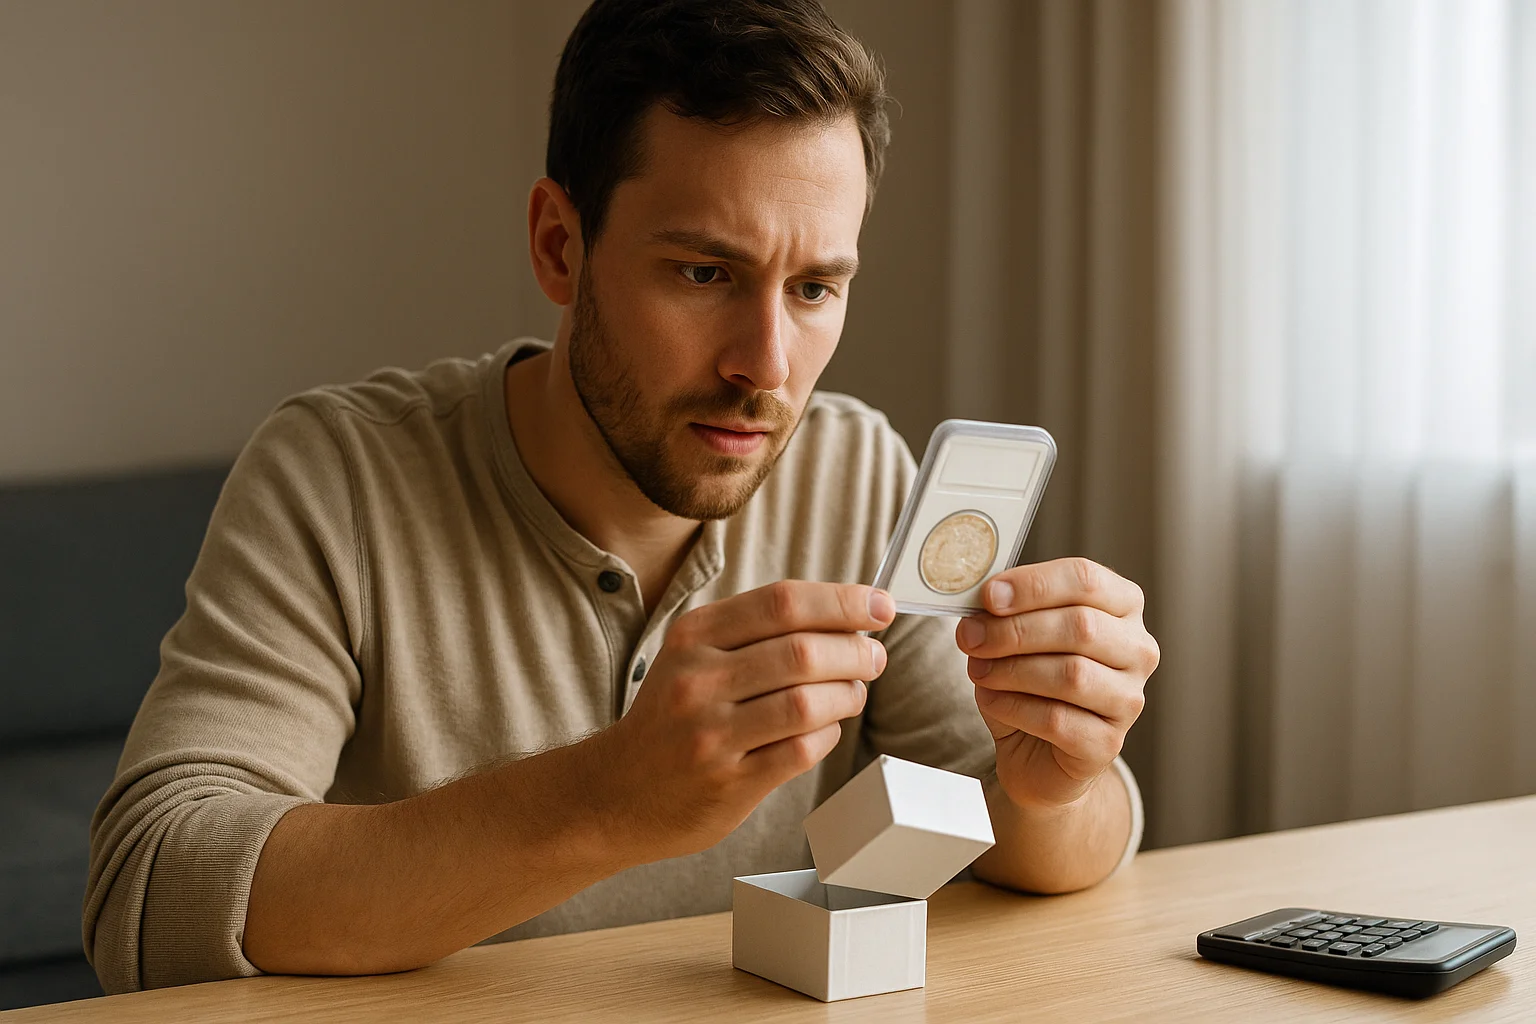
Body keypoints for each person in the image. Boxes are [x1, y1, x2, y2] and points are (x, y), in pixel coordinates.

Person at [85, 0, 1159, 994]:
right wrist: (606, 797)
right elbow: (151, 890)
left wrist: (1060, 780)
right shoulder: (338, 475)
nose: (765, 364)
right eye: (704, 273)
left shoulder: (859, 474)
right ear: (561, 244)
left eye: (815, 288)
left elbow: (1020, 840)